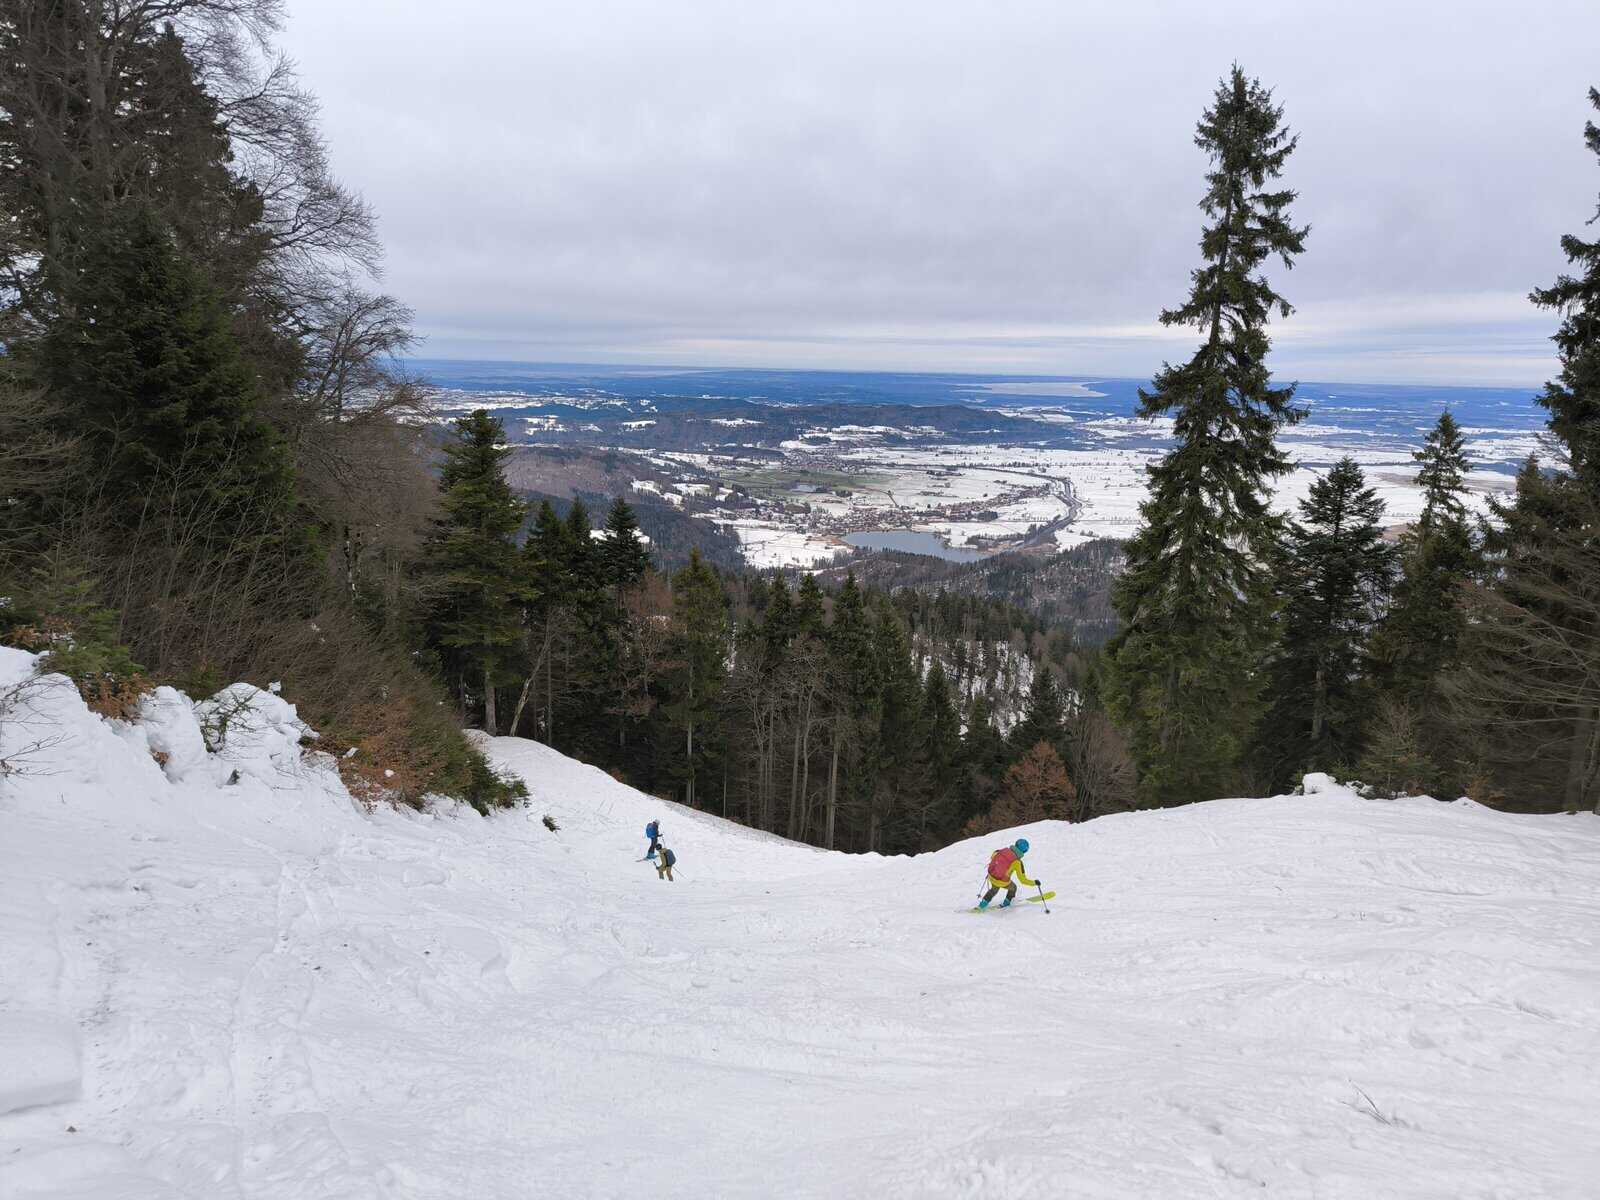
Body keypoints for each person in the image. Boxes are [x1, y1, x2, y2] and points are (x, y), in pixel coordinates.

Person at [978, 838, 1038, 909]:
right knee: (1013, 888)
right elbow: (1023, 880)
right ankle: (1006, 904)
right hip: (1002, 881)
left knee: (994, 889)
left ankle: (982, 905)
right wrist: (1034, 883)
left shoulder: (1002, 850)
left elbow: (993, 856)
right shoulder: (1017, 862)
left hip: (992, 876)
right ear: (1024, 851)